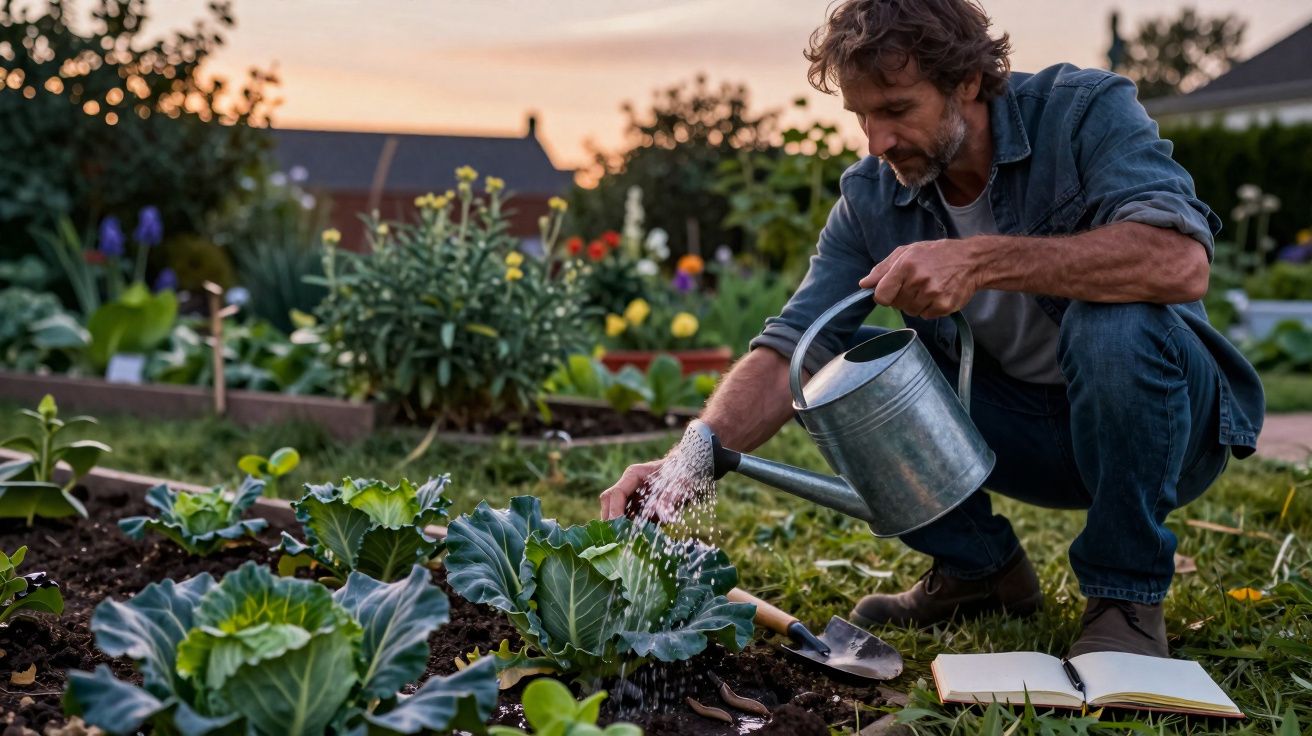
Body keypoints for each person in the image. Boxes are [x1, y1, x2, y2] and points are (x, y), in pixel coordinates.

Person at [599, 0, 1265, 658]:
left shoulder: (1082, 112)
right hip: (1018, 435)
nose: (876, 142)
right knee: (825, 369)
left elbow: (1178, 263)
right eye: (861, 116)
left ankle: (1125, 598)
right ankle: (980, 571)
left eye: (895, 110)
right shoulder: (872, 196)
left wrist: (978, 260)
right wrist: (685, 466)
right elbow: (788, 351)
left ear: (967, 81)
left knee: (1114, 321)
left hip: (1164, 425)